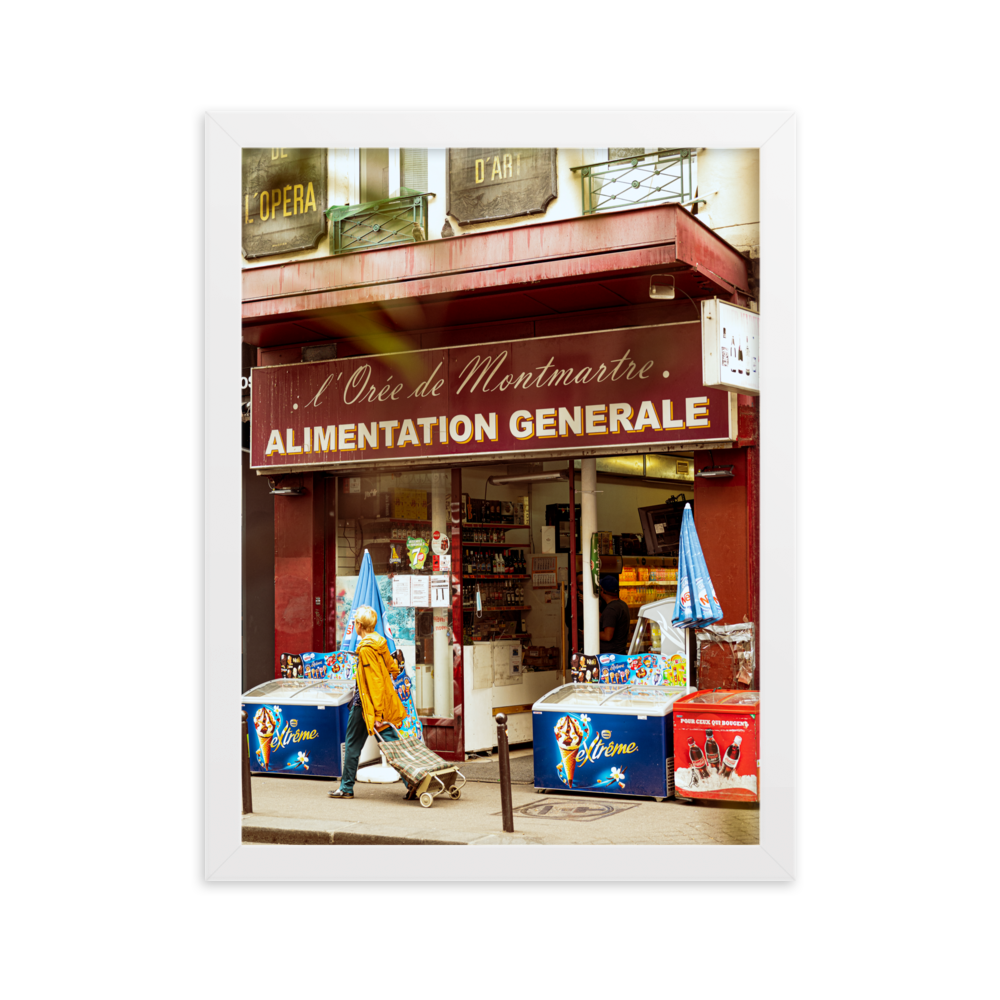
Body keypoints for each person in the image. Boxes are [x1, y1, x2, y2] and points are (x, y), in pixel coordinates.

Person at [329, 606, 407, 799]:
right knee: (393, 745)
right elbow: (393, 668)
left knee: (353, 745)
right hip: (375, 704)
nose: (354, 624)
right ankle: (413, 781)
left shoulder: (365, 649)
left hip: (366, 705)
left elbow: (375, 684)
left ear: (359, 625)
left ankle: (346, 787)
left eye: (355, 622)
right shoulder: (380, 642)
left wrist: (378, 715)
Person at [598, 575, 630, 655]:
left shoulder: (611, 609)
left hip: (610, 656)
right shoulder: (622, 605)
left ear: (603, 590)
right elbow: (609, 619)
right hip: (619, 653)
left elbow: (607, 636)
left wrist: (590, 633)